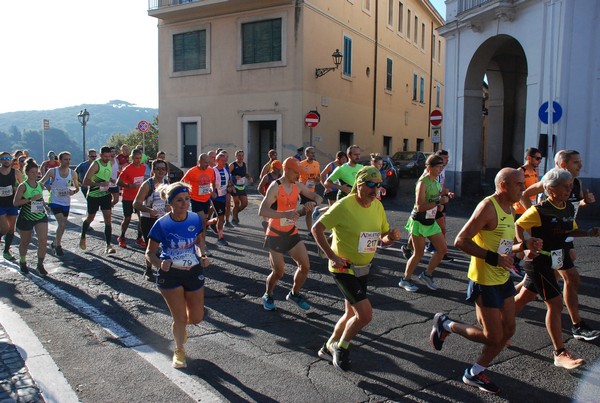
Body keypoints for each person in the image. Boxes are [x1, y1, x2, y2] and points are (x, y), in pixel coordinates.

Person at [432, 168, 542, 394]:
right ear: (504, 186)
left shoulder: (510, 208)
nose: (524, 188)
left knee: (509, 329)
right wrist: (494, 258)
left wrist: (523, 246)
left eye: (523, 184)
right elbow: (460, 240)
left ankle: (474, 373)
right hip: (484, 280)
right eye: (519, 184)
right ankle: (446, 325)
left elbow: (503, 245)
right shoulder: (488, 207)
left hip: (502, 277)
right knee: (493, 337)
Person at [313, 166, 400, 372]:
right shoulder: (344, 205)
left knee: (350, 314)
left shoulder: (377, 206)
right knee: (365, 314)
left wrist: (391, 238)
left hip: (363, 268)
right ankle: (341, 348)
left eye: (378, 185)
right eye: (370, 184)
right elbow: (317, 228)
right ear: (358, 185)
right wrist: (332, 256)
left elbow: (382, 238)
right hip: (344, 268)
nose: (375, 189)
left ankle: (327, 347)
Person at [514, 168, 597, 368]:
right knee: (555, 303)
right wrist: (524, 245)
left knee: (524, 297)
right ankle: (559, 352)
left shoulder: (568, 207)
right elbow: (518, 224)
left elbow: (570, 229)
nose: (570, 190)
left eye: (570, 186)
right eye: (565, 187)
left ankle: (498, 323)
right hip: (539, 261)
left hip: (558, 256)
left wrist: (588, 233)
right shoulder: (539, 210)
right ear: (551, 190)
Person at [145, 182, 210, 369]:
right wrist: (159, 264)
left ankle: (180, 330)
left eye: (187, 199)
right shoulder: (162, 224)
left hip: (193, 271)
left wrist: (203, 256)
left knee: (196, 318)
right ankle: (179, 349)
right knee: (179, 318)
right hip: (170, 274)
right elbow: (149, 253)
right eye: (179, 200)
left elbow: (200, 241)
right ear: (170, 203)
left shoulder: (195, 219)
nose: (185, 204)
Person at [258, 157, 322, 311]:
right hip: (275, 234)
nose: (298, 176)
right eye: (296, 173)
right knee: (279, 272)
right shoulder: (275, 187)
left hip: (291, 232)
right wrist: (285, 214)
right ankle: (268, 293)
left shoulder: (298, 186)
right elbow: (263, 211)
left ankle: (294, 294)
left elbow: (318, 196)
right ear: (286, 170)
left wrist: (313, 203)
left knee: (305, 266)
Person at [398, 154, 452, 292]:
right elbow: (419, 206)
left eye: (442, 167)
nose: (441, 169)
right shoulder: (422, 183)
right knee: (418, 253)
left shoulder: (435, 181)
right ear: (429, 167)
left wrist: (445, 194)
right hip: (419, 221)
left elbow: (437, 194)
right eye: (438, 167)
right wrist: (439, 202)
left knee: (442, 249)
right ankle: (405, 280)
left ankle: (427, 274)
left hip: (430, 221)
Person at [134, 159, 169, 281]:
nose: (161, 171)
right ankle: (148, 269)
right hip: (148, 219)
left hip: (162, 219)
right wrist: (149, 210)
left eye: (163, 169)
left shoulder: (166, 182)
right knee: (150, 247)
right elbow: (136, 204)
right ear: (153, 170)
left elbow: (168, 200)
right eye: (158, 168)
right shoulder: (147, 185)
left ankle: (164, 269)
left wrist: (169, 206)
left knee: (165, 244)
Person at [39, 151, 79, 257]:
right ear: (60, 160)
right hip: (54, 201)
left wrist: (73, 192)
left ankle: (55, 243)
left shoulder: (72, 173)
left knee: (63, 224)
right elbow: (41, 183)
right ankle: (58, 246)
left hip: (66, 202)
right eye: (65, 159)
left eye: (69, 159)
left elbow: (77, 187)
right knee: (61, 223)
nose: (68, 161)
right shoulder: (53, 172)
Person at [12, 159, 49, 276]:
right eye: (32, 172)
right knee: (25, 242)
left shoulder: (39, 185)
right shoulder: (23, 186)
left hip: (40, 216)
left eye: (36, 172)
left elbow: (40, 198)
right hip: (26, 217)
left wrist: (45, 205)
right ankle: (22, 262)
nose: (34, 174)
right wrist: (29, 200)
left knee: (43, 241)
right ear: (26, 173)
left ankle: (40, 265)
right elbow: (15, 202)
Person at [80, 146, 116, 254]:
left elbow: (104, 176)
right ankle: (82, 235)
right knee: (90, 217)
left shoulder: (110, 163)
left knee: (108, 219)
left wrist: (110, 179)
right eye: (105, 156)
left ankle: (108, 245)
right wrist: (99, 184)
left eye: (109, 156)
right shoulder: (96, 164)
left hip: (105, 194)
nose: (107, 158)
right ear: (100, 155)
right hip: (94, 195)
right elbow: (85, 181)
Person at [182, 153, 216, 255]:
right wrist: (187, 194)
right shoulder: (192, 171)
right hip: (195, 200)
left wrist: (213, 190)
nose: (207, 164)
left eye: (208, 162)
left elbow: (213, 181)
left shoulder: (210, 170)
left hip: (206, 199)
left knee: (202, 224)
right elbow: (183, 182)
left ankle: (197, 242)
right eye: (205, 162)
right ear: (199, 162)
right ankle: (203, 246)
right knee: (203, 222)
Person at [117, 149, 147, 248]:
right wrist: (129, 186)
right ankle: (122, 237)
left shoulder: (143, 167)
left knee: (142, 218)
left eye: (139, 158)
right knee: (127, 218)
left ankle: (139, 238)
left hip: (139, 197)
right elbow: (118, 182)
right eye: (136, 158)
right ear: (132, 158)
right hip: (127, 197)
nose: (138, 160)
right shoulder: (127, 169)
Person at [0, 151, 24, 261]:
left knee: (11, 229)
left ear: (11, 160)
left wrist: (17, 189)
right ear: (0, 161)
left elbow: (23, 186)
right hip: (0, 204)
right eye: (3, 158)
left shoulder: (16, 172)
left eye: (8, 158)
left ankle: (6, 251)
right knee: (4, 228)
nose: (6, 160)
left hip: (12, 203)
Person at [211, 152, 234, 246]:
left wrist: (230, 186)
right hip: (216, 197)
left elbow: (229, 181)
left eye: (225, 160)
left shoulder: (226, 170)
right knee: (221, 218)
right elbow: (211, 182)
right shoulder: (213, 170)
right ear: (216, 161)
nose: (224, 162)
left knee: (220, 217)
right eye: (222, 160)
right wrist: (213, 192)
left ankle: (208, 223)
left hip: (224, 196)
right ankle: (220, 238)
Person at [299, 146, 321, 237]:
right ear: (306, 154)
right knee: (309, 210)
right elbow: (296, 176)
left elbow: (319, 177)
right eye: (311, 153)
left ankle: (291, 216)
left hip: (312, 190)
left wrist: (317, 179)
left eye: (314, 153)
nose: (313, 154)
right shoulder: (301, 164)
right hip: (303, 189)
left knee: (305, 211)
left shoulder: (316, 164)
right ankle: (310, 231)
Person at [258, 160, 282, 231]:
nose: (279, 171)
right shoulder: (267, 177)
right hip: (269, 199)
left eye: (280, 169)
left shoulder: (280, 176)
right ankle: (267, 226)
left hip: (277, 199)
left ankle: (272, 228)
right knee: (269, 215)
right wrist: (266, 196)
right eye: (277, 169)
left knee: (276, 216)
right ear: (273, 168)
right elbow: (259, 188)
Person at [229, 150, 253, 224]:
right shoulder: (232, 165)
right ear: (236, 156)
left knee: (244, 203)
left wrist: (249, 177)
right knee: (236, 203)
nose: (241, 157)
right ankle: (234, 218)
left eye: (242, 155)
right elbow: (227, 175)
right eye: (239, 155)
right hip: (234, 186)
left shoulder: (244, 164)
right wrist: (234, 177)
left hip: (242, 186)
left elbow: (245, 173)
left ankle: (235, 213)